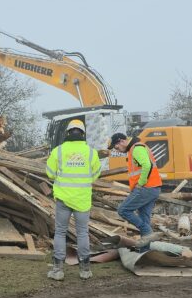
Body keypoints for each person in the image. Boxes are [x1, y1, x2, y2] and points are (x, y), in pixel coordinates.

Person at [45, 119, 101, 281]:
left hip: (63, 198)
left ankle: (58, 271)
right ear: (83, 134)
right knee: (83, 233)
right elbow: (96, 174)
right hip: (82, 199)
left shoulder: (58, 151)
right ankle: (85, 270)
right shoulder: (91, 152)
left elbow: (49, 173)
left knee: (60, 232)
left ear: (68, 133)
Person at [109, 132, 162, 246]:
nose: (117, 150)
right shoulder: (135, 148)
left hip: (146, 188)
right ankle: (145, 251)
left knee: (123, 210)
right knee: (144, 218)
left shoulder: (136, 148)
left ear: (122, 141)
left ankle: (147, 232)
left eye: (116, 147)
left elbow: (147, 165)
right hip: (153, 188)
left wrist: (140, 183)